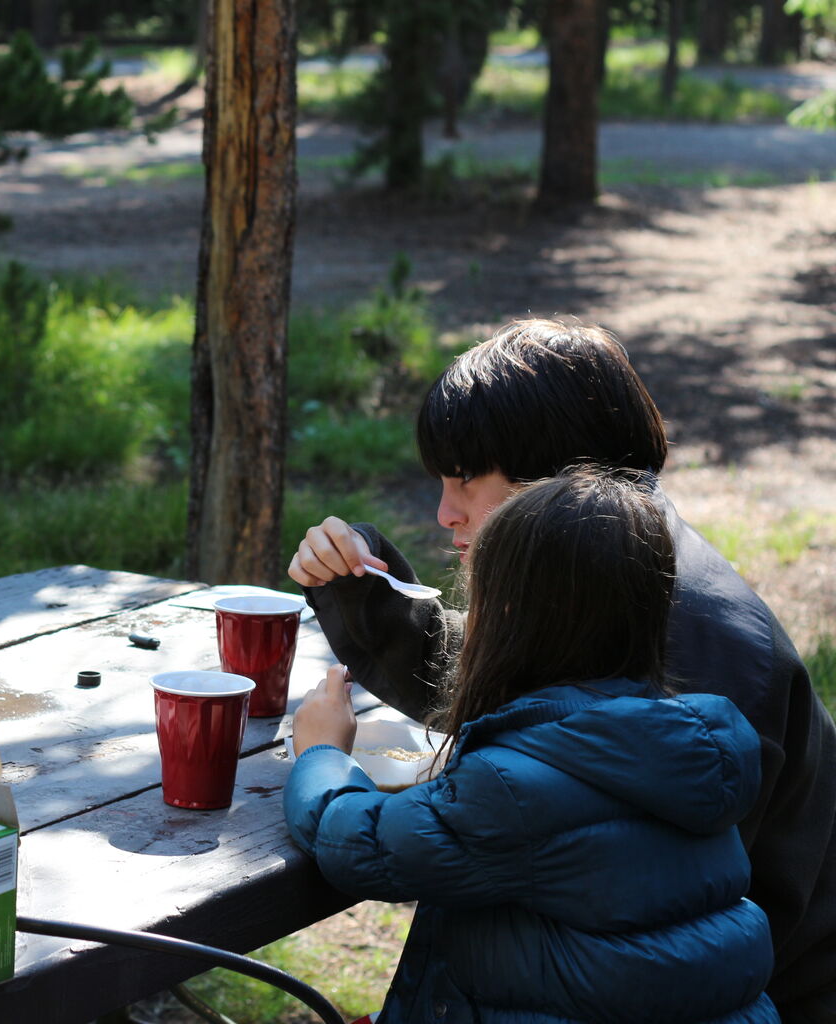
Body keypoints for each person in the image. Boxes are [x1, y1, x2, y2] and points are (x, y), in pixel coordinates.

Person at [287, 318, 836, 1022]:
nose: (444, 512)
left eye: (465, 478)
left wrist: (320, 762)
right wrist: (366, 592)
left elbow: (654, 923)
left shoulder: (697, 635)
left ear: (556, 478)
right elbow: (524, 709)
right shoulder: (621, 570)